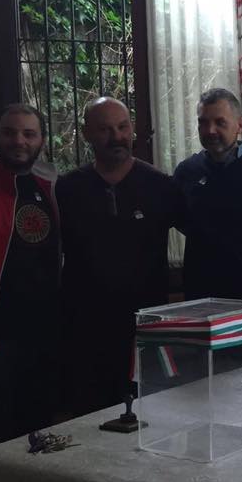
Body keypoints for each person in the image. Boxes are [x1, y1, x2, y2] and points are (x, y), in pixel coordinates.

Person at [58, 97, 183, 416]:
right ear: (86, 133)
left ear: (133, 129)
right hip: (85, 330)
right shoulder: (68, 189)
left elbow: (203, 237)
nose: (116, 136)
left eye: (123, 127)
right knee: (87, 418)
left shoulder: (161, 186)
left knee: (148, 417)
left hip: (144, 330)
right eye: (105, 129)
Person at [0, 104, 60, 448]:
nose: (19, 141)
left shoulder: (49, 187)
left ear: (42, 139)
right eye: (10, 132)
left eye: (29, 133)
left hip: (44, 339)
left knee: (39, 435)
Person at [173, 88, 242, 300]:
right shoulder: (187, 171)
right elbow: (178, 219)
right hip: (200, 294)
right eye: (203, 122)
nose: (210, 130)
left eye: (220, 122)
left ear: (240, 124)